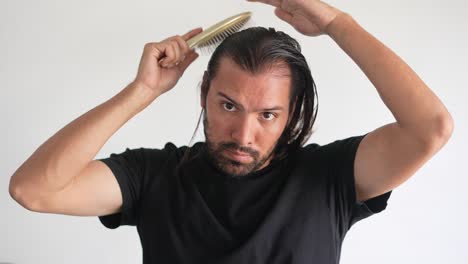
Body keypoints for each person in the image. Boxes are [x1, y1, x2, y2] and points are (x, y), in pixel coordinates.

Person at [9, 0, 453, 263]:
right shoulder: (154, 176)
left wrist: (338, 23)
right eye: (228, 105)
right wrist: (141, 92)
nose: (243, 134)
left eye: (267, 115)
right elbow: (34, 190)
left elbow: (430, 128)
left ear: (291, 112)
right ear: (204, 92)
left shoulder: (330, 178)